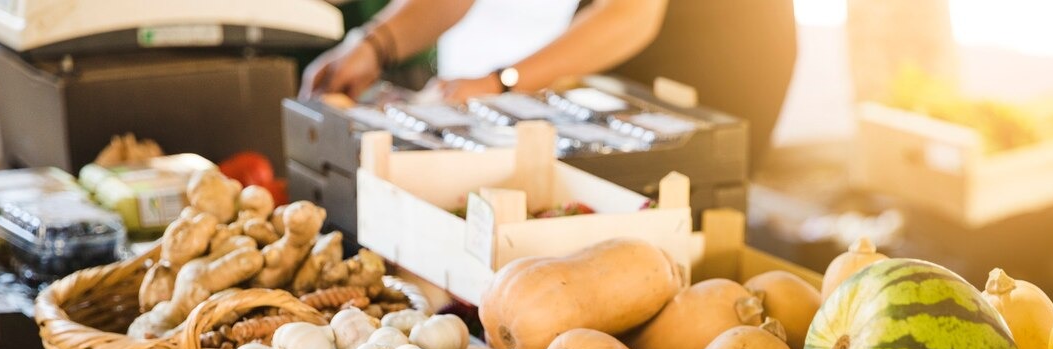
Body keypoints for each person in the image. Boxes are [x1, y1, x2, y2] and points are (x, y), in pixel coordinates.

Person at [300, 0, 796, 167]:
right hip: (628, 42)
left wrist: (503, 82)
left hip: (720, 49)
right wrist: (373, 44)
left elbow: (633, 14)